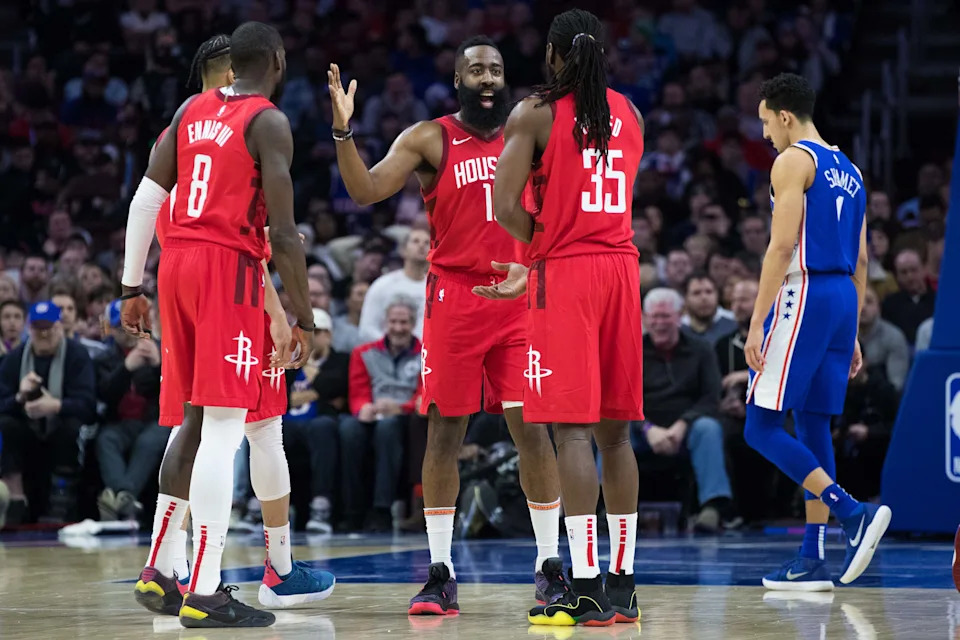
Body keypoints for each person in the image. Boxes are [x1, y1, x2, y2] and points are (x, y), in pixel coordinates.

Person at [328, 35, 563, 617]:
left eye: (496, 69)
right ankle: (439, 571)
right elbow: (364, 191)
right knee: (443, 436)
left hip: (517, 297)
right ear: (458, 80)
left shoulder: (530, 130)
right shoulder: (429, 136)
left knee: (532, 431)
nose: (487, 76)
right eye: (476, 69)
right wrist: (342, 131)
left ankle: (550, 565)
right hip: (455, 298)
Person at [120, 23, 317, 628]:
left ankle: (164, 568)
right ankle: (204, 590)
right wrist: (303, 314)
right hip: (227, 270)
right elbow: (282, 234)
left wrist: (131, 285)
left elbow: (145, 200)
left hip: (174, 268)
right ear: (278, 61)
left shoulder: (187, 111)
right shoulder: (269, 121)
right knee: (228, 429)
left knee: (197, 418)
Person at [473, 9, 644, 626]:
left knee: (571, 433)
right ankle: (623, 587)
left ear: (551, 55)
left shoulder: (535, 111)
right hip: (622, 269)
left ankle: (587, 584)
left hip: (566, 274)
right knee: (616, 433)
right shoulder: (630, 114)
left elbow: (500, 204)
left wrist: (539, 246)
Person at [744, 73, 891, 592]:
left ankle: (851, 513)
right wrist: (849, 331)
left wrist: (757, 321)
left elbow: (781, 248)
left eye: (766, 122)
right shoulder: (850, 168)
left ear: (785, 116)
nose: (765, 135)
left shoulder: (793, 161)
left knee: (759, 426)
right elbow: (864, 257)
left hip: (803, 294)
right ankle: (812, 557)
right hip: (842, 299)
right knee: (812, 426)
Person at [640, 288, 735, 532]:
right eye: (654, 317)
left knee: (709, 428)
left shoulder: (702, 349)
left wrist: (682, 424)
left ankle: (712, 509)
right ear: (644, 318)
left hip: (689, 426)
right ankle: (602, 508)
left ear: (679, 316)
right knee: (608, 431)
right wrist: (647, 428)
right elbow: (621, 397)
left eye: (665, 316)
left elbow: (711, 397)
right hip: (641, 427)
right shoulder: (632, 349)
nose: (659, 323)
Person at [0, 302, 97, 525]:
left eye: (48, 328)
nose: (43, 334)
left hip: (61, 431)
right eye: (37, 328)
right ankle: (16, 499)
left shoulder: (76, 355)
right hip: (28, 432)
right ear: (29, 330)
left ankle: (61, 497)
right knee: (6, 424)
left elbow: (88, 405)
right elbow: (2, 403)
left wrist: (55, 406)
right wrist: (19, 398)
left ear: (59, 327)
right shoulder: (14, 359)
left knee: (71, 426)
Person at [94, 299, 168, 521]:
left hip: (154, 421)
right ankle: (124, 497)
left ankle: (120, 499)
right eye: (120, 327)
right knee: (106, 440)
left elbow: (178, 393)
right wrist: (125, 369)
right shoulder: (103, 358)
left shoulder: (162, 350)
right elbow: (104, 395)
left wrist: (158, 366)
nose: (127, 332)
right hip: (119, 423)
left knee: (150, 441)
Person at [282, 307, 349, 534]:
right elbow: (281, 399)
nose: (309, 338)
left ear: (328, 335)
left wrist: (313, 377)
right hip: (289, 423)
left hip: (320, 423)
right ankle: (255, 507)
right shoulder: (289, 364)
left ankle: (321, 506)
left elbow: (338, 390)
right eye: (305, 333)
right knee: (270, 429)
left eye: (316, 332)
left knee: (322, 428)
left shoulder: (341, 361)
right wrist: (319, 392)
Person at [357, 229, 429, 342]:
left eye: (427, 243)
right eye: (416, 241)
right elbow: (367, 329)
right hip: (386, 354)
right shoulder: (382, 285)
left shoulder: (436, 289)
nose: (421, 245)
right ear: (403, 250)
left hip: (425, 355)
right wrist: (392, 347)